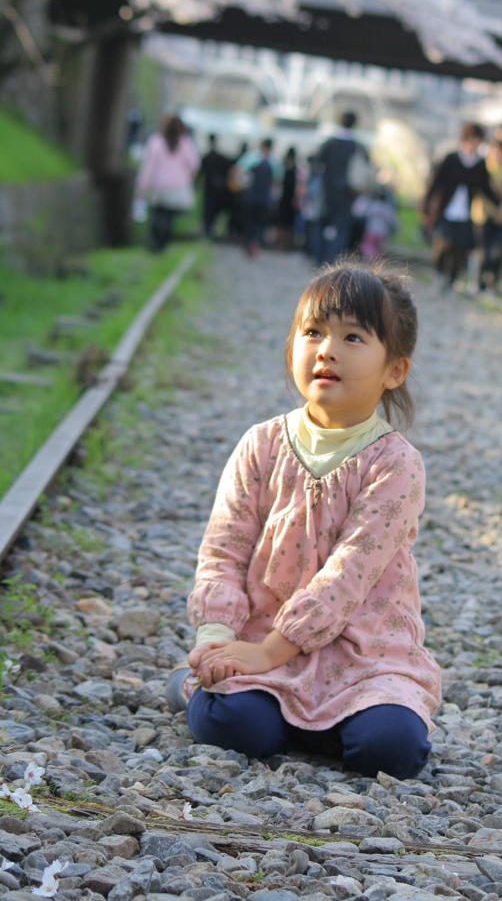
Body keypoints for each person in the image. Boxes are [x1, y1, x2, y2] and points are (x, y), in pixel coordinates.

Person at [165, 261, 441, 779]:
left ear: (394, 371)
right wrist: (217, 641)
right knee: (239, 728)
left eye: (353, 337)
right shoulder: (262, 446)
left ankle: (334, 720)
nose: (327, 349)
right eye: (312, 332)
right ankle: (201, 686)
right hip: (262, 650)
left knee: (392, 749)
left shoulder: (395, 464)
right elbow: (224, 550)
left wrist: (271, 650)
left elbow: (347, 575)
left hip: (365, 657)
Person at [422, 123, 502, 292]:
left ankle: (452, 280)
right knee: (444, 244)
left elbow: (486, 189)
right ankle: (439, 274)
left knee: (461, 248)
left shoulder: (479, 165)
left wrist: (501, 204)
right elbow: (435, 183)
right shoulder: (451, 159)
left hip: (464, 212)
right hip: (447, 210)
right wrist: (426, 206)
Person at [135, 114, 200, 252]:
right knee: (168, 218)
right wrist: (187, 177)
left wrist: (142, 186)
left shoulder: (155, 142)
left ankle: (154, 245)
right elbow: (195, 165)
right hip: (178, 188)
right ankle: (163, 245)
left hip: (160, 187)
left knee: (158, 215)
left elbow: (148, 166)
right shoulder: (186, 143)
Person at [315, 111, 370, 265]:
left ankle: (320, 259)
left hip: (328, 192)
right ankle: (336, 262)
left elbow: (317, 164)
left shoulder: (330, 143)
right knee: (342, 230)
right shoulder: (358, 146)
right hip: (348, 194)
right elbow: (366, 170)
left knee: (323, 226)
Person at [472, 138, 502, 291]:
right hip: (483, 216)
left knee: (499, 252)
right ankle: (480, 282)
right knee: (483, 252)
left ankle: (494, 281)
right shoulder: (482, 169)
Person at [196, 133, 231, 240]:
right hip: (219, 189)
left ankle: (208, 230)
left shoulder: (206, 157)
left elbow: (200, 173)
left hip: (209, 188)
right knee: (215, 210)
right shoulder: (222, 158)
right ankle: (212, 230)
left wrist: (197, 185)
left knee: (208, 210)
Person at [244, 138, 274, 258]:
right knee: (259, 224)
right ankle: (255, 244)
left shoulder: (253, 159)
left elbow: (242, 173)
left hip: (253, 197)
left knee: (251, 222)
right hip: (264, 198)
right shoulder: (272, 163)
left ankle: (250, 243)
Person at [276, 146, 300, 251]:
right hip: (290, 199)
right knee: (288, 224)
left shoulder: (283, 166)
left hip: (284, 199)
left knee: (282, 223)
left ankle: (281, 243)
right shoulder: (296, 168)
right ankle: (285, 244)